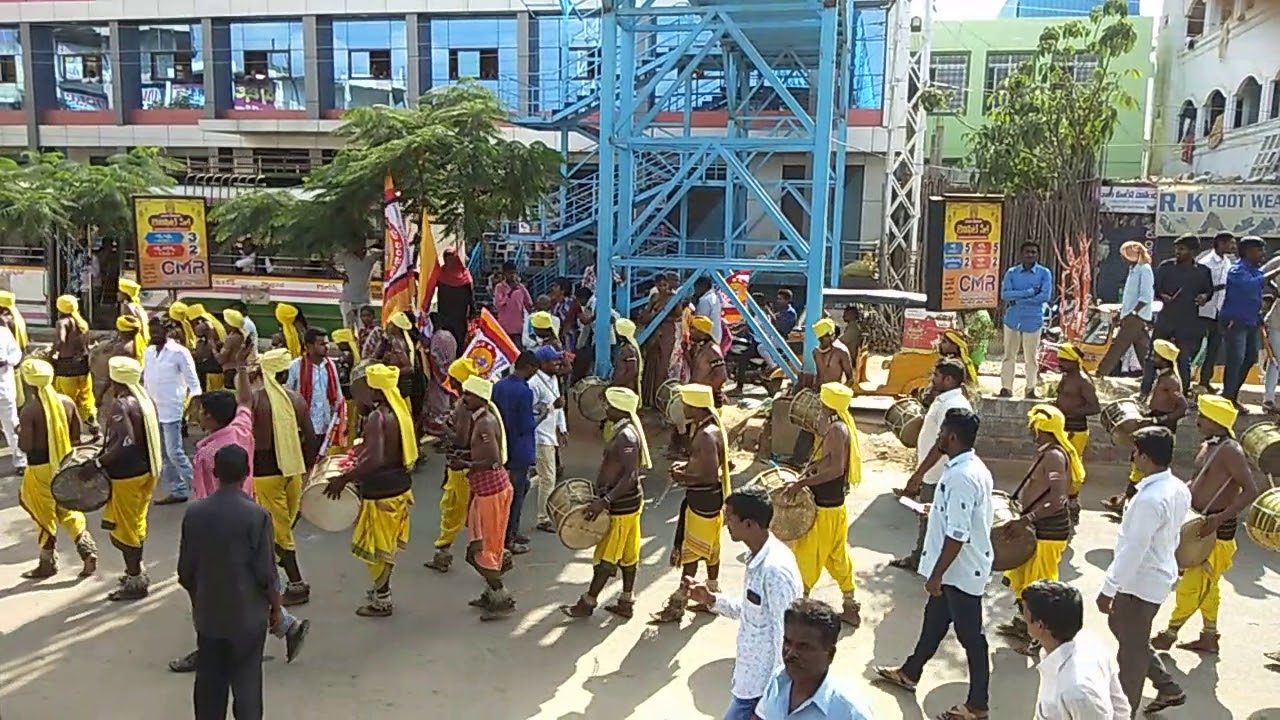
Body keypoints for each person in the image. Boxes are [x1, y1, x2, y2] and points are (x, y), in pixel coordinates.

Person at [169, 372, 311, 674]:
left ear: (209, 416)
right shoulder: (239, 429)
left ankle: (209, 648)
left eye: (201, 412)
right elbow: (245, 399)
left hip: (218, 526)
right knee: (248, 583)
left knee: (207, 590)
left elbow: (210, 496)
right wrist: (242, 369)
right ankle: (285, 626)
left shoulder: (211, 452)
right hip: (247, 515)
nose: (197, 417)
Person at [874, 407, 993, 720]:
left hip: (959, 571)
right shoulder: (969, 467)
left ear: (951, 436)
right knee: (934, 623)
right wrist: (934, 510)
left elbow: (958, 534)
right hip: (955, 569)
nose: (938, 437)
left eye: (942, 433)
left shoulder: (962, 477)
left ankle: (977, 705)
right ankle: (910, 673)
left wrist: (936, 575)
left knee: (972, 638)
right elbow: (958, 517)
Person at [178, 444, 280, 720]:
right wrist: (277, 610)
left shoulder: (195, 513)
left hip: (209, 614)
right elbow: (266, 574)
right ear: (247, 473)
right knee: (247, 682)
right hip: (248, 616)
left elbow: (185, 571)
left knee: (210, 683)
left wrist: (199, 602)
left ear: (214, 472)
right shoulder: (257, 516)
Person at [684, 487, 803, 719]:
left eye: (730, 519)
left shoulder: (775, 571)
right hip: (749, 681)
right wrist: (711, 599)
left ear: (749, 524)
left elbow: (787, 635)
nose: (726, 523)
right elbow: (751, 611)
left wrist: (773, 702)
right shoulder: (756, 558)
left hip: (762, 690)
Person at [1151, 395, 1256, 655]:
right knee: (1209, 584)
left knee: (1194, 584)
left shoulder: (1231, 451)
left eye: (1204, 418)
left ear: (1217, 423)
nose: (1198, 421)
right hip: (1198, 522)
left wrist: (1218, 519)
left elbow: (1250, 490)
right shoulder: (1209, 445)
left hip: (1216, 530)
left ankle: (1171, 632)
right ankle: (1209, 636)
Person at [1097, 425, 1187, 715]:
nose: (1133, 458)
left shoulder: (1149, 499)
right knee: (1125, 632)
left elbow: (1133, 550)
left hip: (1139, 583)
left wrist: (1108, 589)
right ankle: (1166, 684)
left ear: (1146, 458)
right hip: (1154, 577)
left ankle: (1124, 712)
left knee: (1131, 660)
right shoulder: (1177, 488)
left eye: (1135, 453)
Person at [325, 363, 418, 617]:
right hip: (399, 486)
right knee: (385, 547)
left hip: (382, 490)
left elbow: (376, 459)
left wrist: (344, 478)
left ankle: (382, 598)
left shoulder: (379, 416)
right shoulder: (399, 411)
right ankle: (381, 590)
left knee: (377, 549)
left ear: (373, 389)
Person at [560, 386, 650, 620]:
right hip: (628, 503)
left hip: (622, 506)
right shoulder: (622, 431)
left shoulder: (626, 436)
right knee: (629, 555)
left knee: (607, 559)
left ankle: (588, 603)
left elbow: (630, 475)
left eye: (609, 405)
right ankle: (626, 601)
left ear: (621, 409)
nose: (606, 408)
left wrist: (606, 500)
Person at [996, 405, 1076, 655]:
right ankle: (1024, 625)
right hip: (1036, 529)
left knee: (1041, 591)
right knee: (1023, 581)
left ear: (1043, 428)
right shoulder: (1047, 452)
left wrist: (1026, 519)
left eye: (1034, 426)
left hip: (1049, 533)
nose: (1031, 430)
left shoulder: (1054, 456)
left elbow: (1059, 499)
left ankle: (1042, 641)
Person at [782, 382, 862, 627]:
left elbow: (836, 469)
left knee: (808, 556)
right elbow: (827, 459)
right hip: (834, 507)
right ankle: (850, 605)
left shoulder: (837, 430)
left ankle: (799, 609)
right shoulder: (836, 426)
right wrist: (810, 470)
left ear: (828, 403)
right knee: (837, 557)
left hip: (826, 509)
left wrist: (800, 484)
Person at [651, 383, 731, 624]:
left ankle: (680, 601)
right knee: (711, 548)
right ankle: (712, 593)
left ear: (695, 406)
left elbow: (707, 474)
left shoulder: (706, 436)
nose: (682, 407)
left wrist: (681, 476)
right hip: (711, 497)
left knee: (692, 551)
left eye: (685, 403)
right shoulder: (710, 428)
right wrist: (686, 467)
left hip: (702, 498)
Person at [16, 358, 97, 578]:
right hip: (65, 464)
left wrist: (19, 430)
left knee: (42, 512)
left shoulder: (30, 410)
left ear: (30, 383)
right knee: (67, 507)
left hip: (40, 468)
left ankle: (47, 562)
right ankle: (86, 547)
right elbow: (76, 437)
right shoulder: (67, 403)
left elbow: (25, 446)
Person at [891, 359, 973, 571]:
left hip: (939, 475)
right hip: (933, 473)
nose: (932, 379)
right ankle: (920, 558)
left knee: (934, 520)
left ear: (949, 379)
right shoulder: (944, 399)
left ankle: (928, 564)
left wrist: (918, 475)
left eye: (936, 376)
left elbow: (941, 445)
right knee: (928, 519)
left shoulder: (953, 405)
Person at [255, 348, 319, 606]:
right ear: (284, 373)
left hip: (265, 475)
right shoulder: (297, 400)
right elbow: (311, 439)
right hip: (292, 471)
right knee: (281, 528)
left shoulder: (256, 401)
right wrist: (307, 471)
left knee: (279, 533)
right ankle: (265, 579)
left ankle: (296, 584)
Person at [97, 356, 162, 601]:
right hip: (146, 472)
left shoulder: (121, 405)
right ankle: (135, 571)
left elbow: (126, 442)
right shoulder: (146, 401)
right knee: (136, 524)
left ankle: (135, 581)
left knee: (125, 531)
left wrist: (99, 462)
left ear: (115, 379)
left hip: (127, 476)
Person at [456, 375, 517, 620]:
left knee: (479, 552)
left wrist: (466, 462)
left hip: (491, 492)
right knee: (485, 547)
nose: (463, 399)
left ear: (480, 398)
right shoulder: (481, 419)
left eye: (468, 395)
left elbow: (491, 460)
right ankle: (489, 592)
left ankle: (501, 595)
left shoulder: (484, 423)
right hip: (485, 491)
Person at [1024, 580, 1130, 719]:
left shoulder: (1076, 692)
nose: (1022, 616)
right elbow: (1119, 703)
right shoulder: (1089, 641)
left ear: (1040, 625)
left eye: (1024, 611)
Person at [1103, 340, 1187, 515]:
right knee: (1137, 463)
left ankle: (1129, 504)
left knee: (1144, 466)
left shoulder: (1171, 381)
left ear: (1164, 360)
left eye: (1156, 356)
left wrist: (1159, 420)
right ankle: (1126, 500)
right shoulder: (1163, 377)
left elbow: (1182, 408)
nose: (1152, 358)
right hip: (1154, 421)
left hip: (1162, 428)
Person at [756, 599, 876, 720]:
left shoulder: (850, 712)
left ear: (830, 655)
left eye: (803, 647)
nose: (791, 653)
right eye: (787, 642)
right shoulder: (778, 681)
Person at [425, 358, 480, 572]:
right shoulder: (468, 402)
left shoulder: (464, 407)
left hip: (462, 467)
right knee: (455, 509)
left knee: (456, 510)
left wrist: (443, 428)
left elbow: (460, 438)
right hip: (459, 466)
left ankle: (446, 552)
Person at [143, 315, 202, 505]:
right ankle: (178, 490)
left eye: (158, 331)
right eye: (152, 332)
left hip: (172, 409)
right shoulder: (149, 352)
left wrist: (194, 404)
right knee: (163, 454)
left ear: (167, 332)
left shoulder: (179, 352)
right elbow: (146, 379)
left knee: (174, 452)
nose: (154, 335)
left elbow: (193, 383)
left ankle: (201, 488)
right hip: (153, 409)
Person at [1143, 234, 1212, 397]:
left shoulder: (1203, 272)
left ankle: (1183, 392)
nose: (1177, 252)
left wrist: (1204, 298)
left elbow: (1208, 291)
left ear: (1193, 251)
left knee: (1183, 358)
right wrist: (1162, 295)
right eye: (1176, 248)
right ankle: (1145, 390)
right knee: (1153, 355)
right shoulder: (1166, 267)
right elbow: (1157, 288)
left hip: (1188, 321)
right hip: (1166, 318)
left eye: (1182, 249)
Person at [492, 351, 538, 554]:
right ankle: (509, 538)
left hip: (503, 445)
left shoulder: (499, 386)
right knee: (517, 494)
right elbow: (527, 424)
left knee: (515, 489)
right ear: (527, 367)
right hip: (520, 449)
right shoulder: (524, 392)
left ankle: (510, 531)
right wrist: (542, 415)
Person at [1053, 343, 1100, 526]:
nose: (1060, 363)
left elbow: (1094, 407)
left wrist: (1071, 413)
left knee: (1072, 468)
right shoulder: (1066, 376)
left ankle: (1073, 504)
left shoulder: (1083, 381)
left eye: (1064, 360)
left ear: (1074, 361)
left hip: (1076, 430)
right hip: (1062, 427)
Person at [999, 242, 1052, 398]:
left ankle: (1030, 389)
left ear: (1038, 255)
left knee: (1031, 357)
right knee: (1009, 355)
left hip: (1033, 320)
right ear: (1021, 254)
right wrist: (1029, 292)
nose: (1030, 255)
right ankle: (1006, 388)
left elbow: (1045, 296)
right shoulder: (1012, 273)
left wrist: (1019, 298)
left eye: (1033, 252)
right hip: (1012, 319)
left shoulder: (1044, 273)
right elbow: (1005, 295)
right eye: (1027, 252)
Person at [1220, 235, 1266, 410]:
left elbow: (1256, 294)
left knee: (1250, 358)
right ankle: (1228, 397)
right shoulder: (1237, 270)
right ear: (1248, 252)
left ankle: (1232, 394)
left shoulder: (1257, 270)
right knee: (1235, 360)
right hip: (1235, 322)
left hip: (1252, 322)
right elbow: (1249, 286)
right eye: (1259, 250)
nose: (1263, 254)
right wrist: (1275, 272)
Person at [1098, 242, 1155, 378]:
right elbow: (1130, 298)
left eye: (1124, 255)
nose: (1122, 258)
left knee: (1117, 347)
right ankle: (1153, 377)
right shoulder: (1133, 269)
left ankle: (1100, 374)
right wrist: (1122, 313)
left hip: (1136, 317)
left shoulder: (1144, 269)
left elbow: (1146, 296)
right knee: (1144, 351)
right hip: (1129, 316)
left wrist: (1133, 313)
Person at [285, 328, 343, 448]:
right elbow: (287, 395)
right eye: (322, 344)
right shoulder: (296, 366)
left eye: (327, 343)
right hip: (305, 426)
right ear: (308, 346)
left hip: (327, 425)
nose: (327, 347)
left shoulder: (330, 365)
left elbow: (338, 395)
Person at [531, 346, 566, 534]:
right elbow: (533, 412)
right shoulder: (534, 384)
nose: (558, 363)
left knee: (545, 475)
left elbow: (559, 405)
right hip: (541, 436)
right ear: (543, 364)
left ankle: (527, 485)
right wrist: (553, 407)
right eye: (554, 360)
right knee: (548, 478)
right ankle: (542, 518)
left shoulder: (553, 379)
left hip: (551, 434)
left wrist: (563, 428)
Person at [52, 294, 97, 435]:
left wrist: (52, 352)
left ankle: (69, 434)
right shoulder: (82, 323)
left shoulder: (62, 322)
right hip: (83, 366)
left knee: (66, 400)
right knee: (86, 398)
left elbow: (60, 340)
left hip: (66, 367)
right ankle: (94, 425)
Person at [1197, 232, 1235, 393]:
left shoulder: (1228, 263)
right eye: (1230, 243)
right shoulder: (1205, 263)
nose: (1233, 247)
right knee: (1195, 348)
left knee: (1213, 349)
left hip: (1220, 312)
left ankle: (1205, 382)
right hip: (1203, 312)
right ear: (1220, 243)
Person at [640, 273, 681, 406]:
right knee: (650, 363)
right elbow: (646, 314)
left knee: (663, 364)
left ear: (668, 284)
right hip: (653, 332)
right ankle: (648, 398)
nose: (662, 288)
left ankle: (660, 397)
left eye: (664, 285)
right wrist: (654, 316)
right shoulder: (654, 297)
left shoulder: (674, 298)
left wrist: (661, 317)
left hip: (666, 333)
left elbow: (678, 316)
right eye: (659, 286)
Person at [422, 317, 459, 437]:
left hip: (438, 375)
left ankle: (439, 434)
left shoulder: (437, 337)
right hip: (449, 371)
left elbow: (434, 357)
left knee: (438, 404)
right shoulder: (450, 336)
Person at [437, 248, 476, 349]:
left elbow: (470, 296)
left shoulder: (465, 275)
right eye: (446, 259)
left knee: (459, 342)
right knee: (446, 342)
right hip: (445, 316)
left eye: (451, 259)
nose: (448, 262)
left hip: (460, 317)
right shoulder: (441, 273)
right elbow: (431, 285)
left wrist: (472, 312)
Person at [0, 313, 22, 474]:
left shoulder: (4, 333)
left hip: (3, 389)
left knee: (11, 425)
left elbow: (16, 355)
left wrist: (6, 361)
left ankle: (21, 460)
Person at [188, 303, 227, 392]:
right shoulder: (213, 321)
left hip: (211, 365)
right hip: (220, 363)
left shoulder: (203, 325)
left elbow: (202, 349)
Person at [336, 245, 377, 329]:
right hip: (347, 300)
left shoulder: (371, 257)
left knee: (363, 328)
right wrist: (340, 274)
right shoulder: (346, 256)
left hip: (363, 300)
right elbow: (328, 263)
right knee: (347, 329)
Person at [494, 261, 534, 342]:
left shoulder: (521, 288)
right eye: (510, 273)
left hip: (518, 328)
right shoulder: (499, 288)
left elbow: (529, 304)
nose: (512, 276)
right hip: (504, 327)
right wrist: (511, 291)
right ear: (504, 274)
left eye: (514, 273)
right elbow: (498, 304)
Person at [219, 308, 253, 389]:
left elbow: (221, 359)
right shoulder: (242, 335)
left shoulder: (231, 338)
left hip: (230, 372)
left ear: (230, 325)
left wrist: (213, 348)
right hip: (240, 370)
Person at [694, 275, 725, 352]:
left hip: (708, 337)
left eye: (696, 287)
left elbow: (700, 321)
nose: (695, 290)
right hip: (716, 335)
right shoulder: (714, 297)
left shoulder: (705, 300)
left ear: (703, 286)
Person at [612, 318, 642, 396]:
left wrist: (618, 384)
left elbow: (632, 372)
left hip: (625, 389)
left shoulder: (628, 350)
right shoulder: (625, 347)